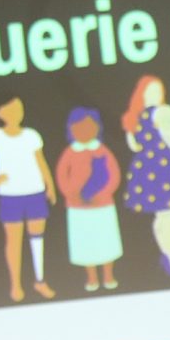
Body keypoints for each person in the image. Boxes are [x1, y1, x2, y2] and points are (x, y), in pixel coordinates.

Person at [0, 96, 57, 302]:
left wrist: (50, 185)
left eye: (19, 108)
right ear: (1, 113)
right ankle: (16, 285)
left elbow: (41, 161)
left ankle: (40, 280)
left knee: (37, 238)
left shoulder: (31, 136)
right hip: (11, 195)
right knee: (14, 241)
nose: (17, 113)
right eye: (11, 109)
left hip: (35, 193)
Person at [122, 75, 170, 277]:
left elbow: (137, 144)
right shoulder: (162, 113)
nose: (155, 95)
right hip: (169, 168)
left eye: (158, 91)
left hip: (153, 170)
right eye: (151, 91)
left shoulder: (140, 117)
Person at [55, 107, 124, 292]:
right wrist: (74, 195)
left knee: (106, 243)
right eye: (79, 127)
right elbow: (62, 177)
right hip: (79, 210)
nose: (84, 131)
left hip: (102, 208)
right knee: (86, 246)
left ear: (96, 128)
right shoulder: (70, 153)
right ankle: (92, 278)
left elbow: (113, 176)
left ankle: (109, 276)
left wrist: (100, 195)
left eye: (88, 127)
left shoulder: (102, 151)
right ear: (71, 129)